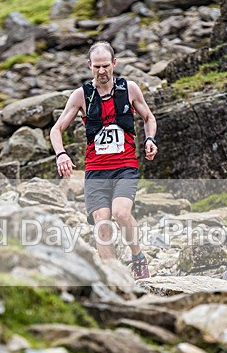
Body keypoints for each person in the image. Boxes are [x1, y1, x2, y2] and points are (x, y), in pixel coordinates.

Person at [50, 41, 158, 279]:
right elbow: (56, 129)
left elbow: (149, 118)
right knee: (102, 221)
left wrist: (150, 139)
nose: (101, 71)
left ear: (114, 64)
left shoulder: (130, 89)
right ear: (89, 65)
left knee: (120, 213)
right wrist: (61, 154)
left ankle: (138, 257)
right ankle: (114, 277)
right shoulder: (81, 96)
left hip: (125, 166)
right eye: (97, 66)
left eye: (106, 66)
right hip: (96, 170)